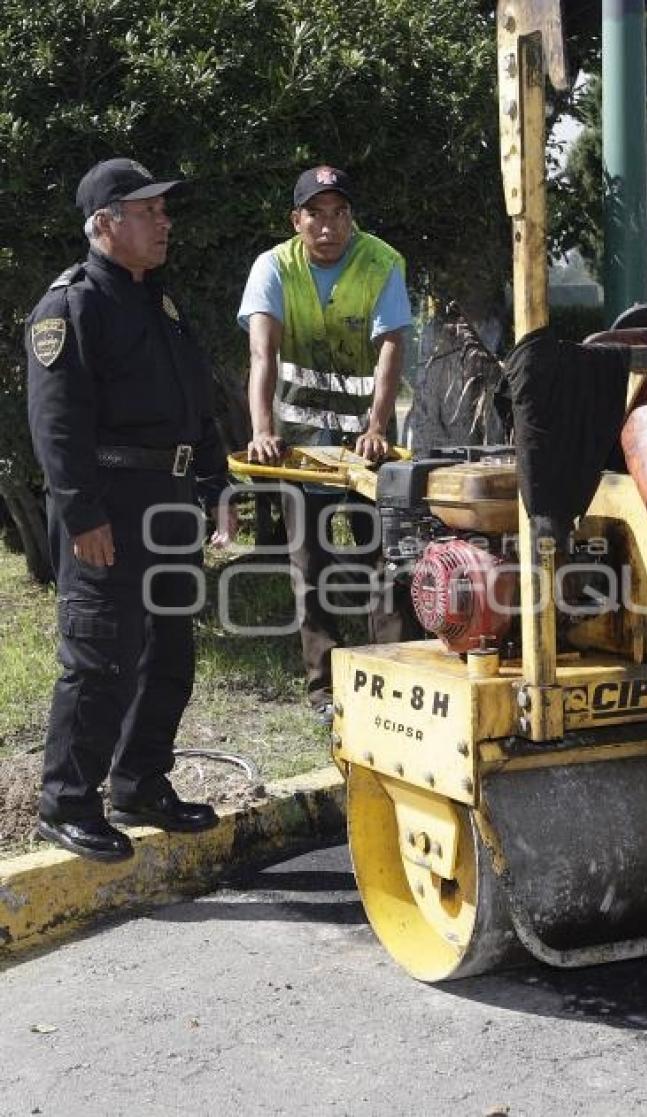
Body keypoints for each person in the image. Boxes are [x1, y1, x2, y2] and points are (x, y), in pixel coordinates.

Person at [26, 157, 236, 863]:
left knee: (168, 653)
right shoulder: (71, 304)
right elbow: (56, 423)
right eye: (149, 211)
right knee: (99, 656)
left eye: (163, 211)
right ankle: (67, 801)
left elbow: (195, 404)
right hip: (109, 507)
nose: (164, 222)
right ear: (105, 223)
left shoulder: (160, 303)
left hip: (170, 502)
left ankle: (140, 781)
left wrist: (217, 483)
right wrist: (82, 514)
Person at [238, 165, 418, 723]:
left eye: (339, 213)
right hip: (302, 442)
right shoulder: (272, 268)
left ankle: (392, 670)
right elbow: (263, 355)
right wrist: (263, 430)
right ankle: (325, 687)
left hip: (369, 440)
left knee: (385, 556)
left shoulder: (382, 261)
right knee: (309, 562)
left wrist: (378, 427)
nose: (329, 225)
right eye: (316, 214)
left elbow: (390, 349)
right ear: (297, 221)